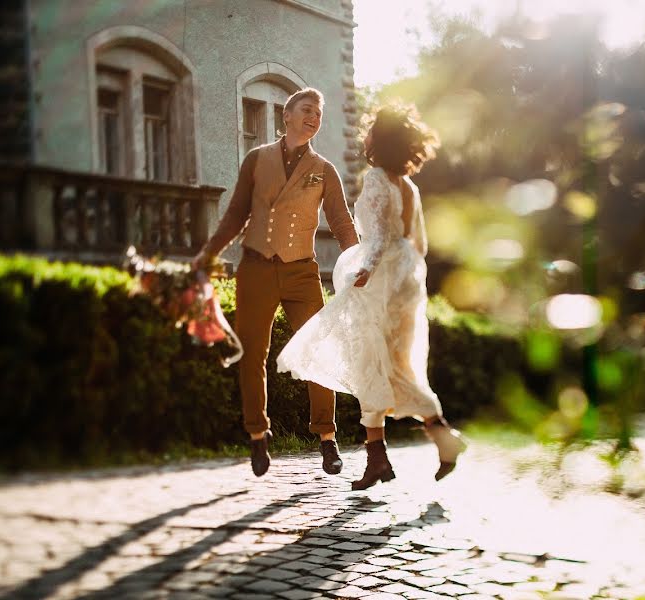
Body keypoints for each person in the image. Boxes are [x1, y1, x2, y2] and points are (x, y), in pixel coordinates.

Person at [277, 103, 466, 491]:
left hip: (379, 279)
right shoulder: (408, 186)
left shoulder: (378, 178)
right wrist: (404, 273)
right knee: (397, 366)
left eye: (369, 131)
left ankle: (378, 458)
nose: (364, 137)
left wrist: (366, 269)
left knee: (370, 362)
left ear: (381, 140)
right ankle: (440, 438)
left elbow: (377, 237)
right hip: (407, 280)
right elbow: (421, 244)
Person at [192, 88, 357, 478]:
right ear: (287, 116)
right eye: (307, 110)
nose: (314, 116)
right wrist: (209, 252)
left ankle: (327, 439)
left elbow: (342, 223)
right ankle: (257, 435)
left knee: (316, 352)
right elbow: (235, 214)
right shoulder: (256, 159)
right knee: (252, 353)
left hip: (301, 271)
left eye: (319, 112)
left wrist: (358, 264)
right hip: (256, 268)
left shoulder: (324, 169)